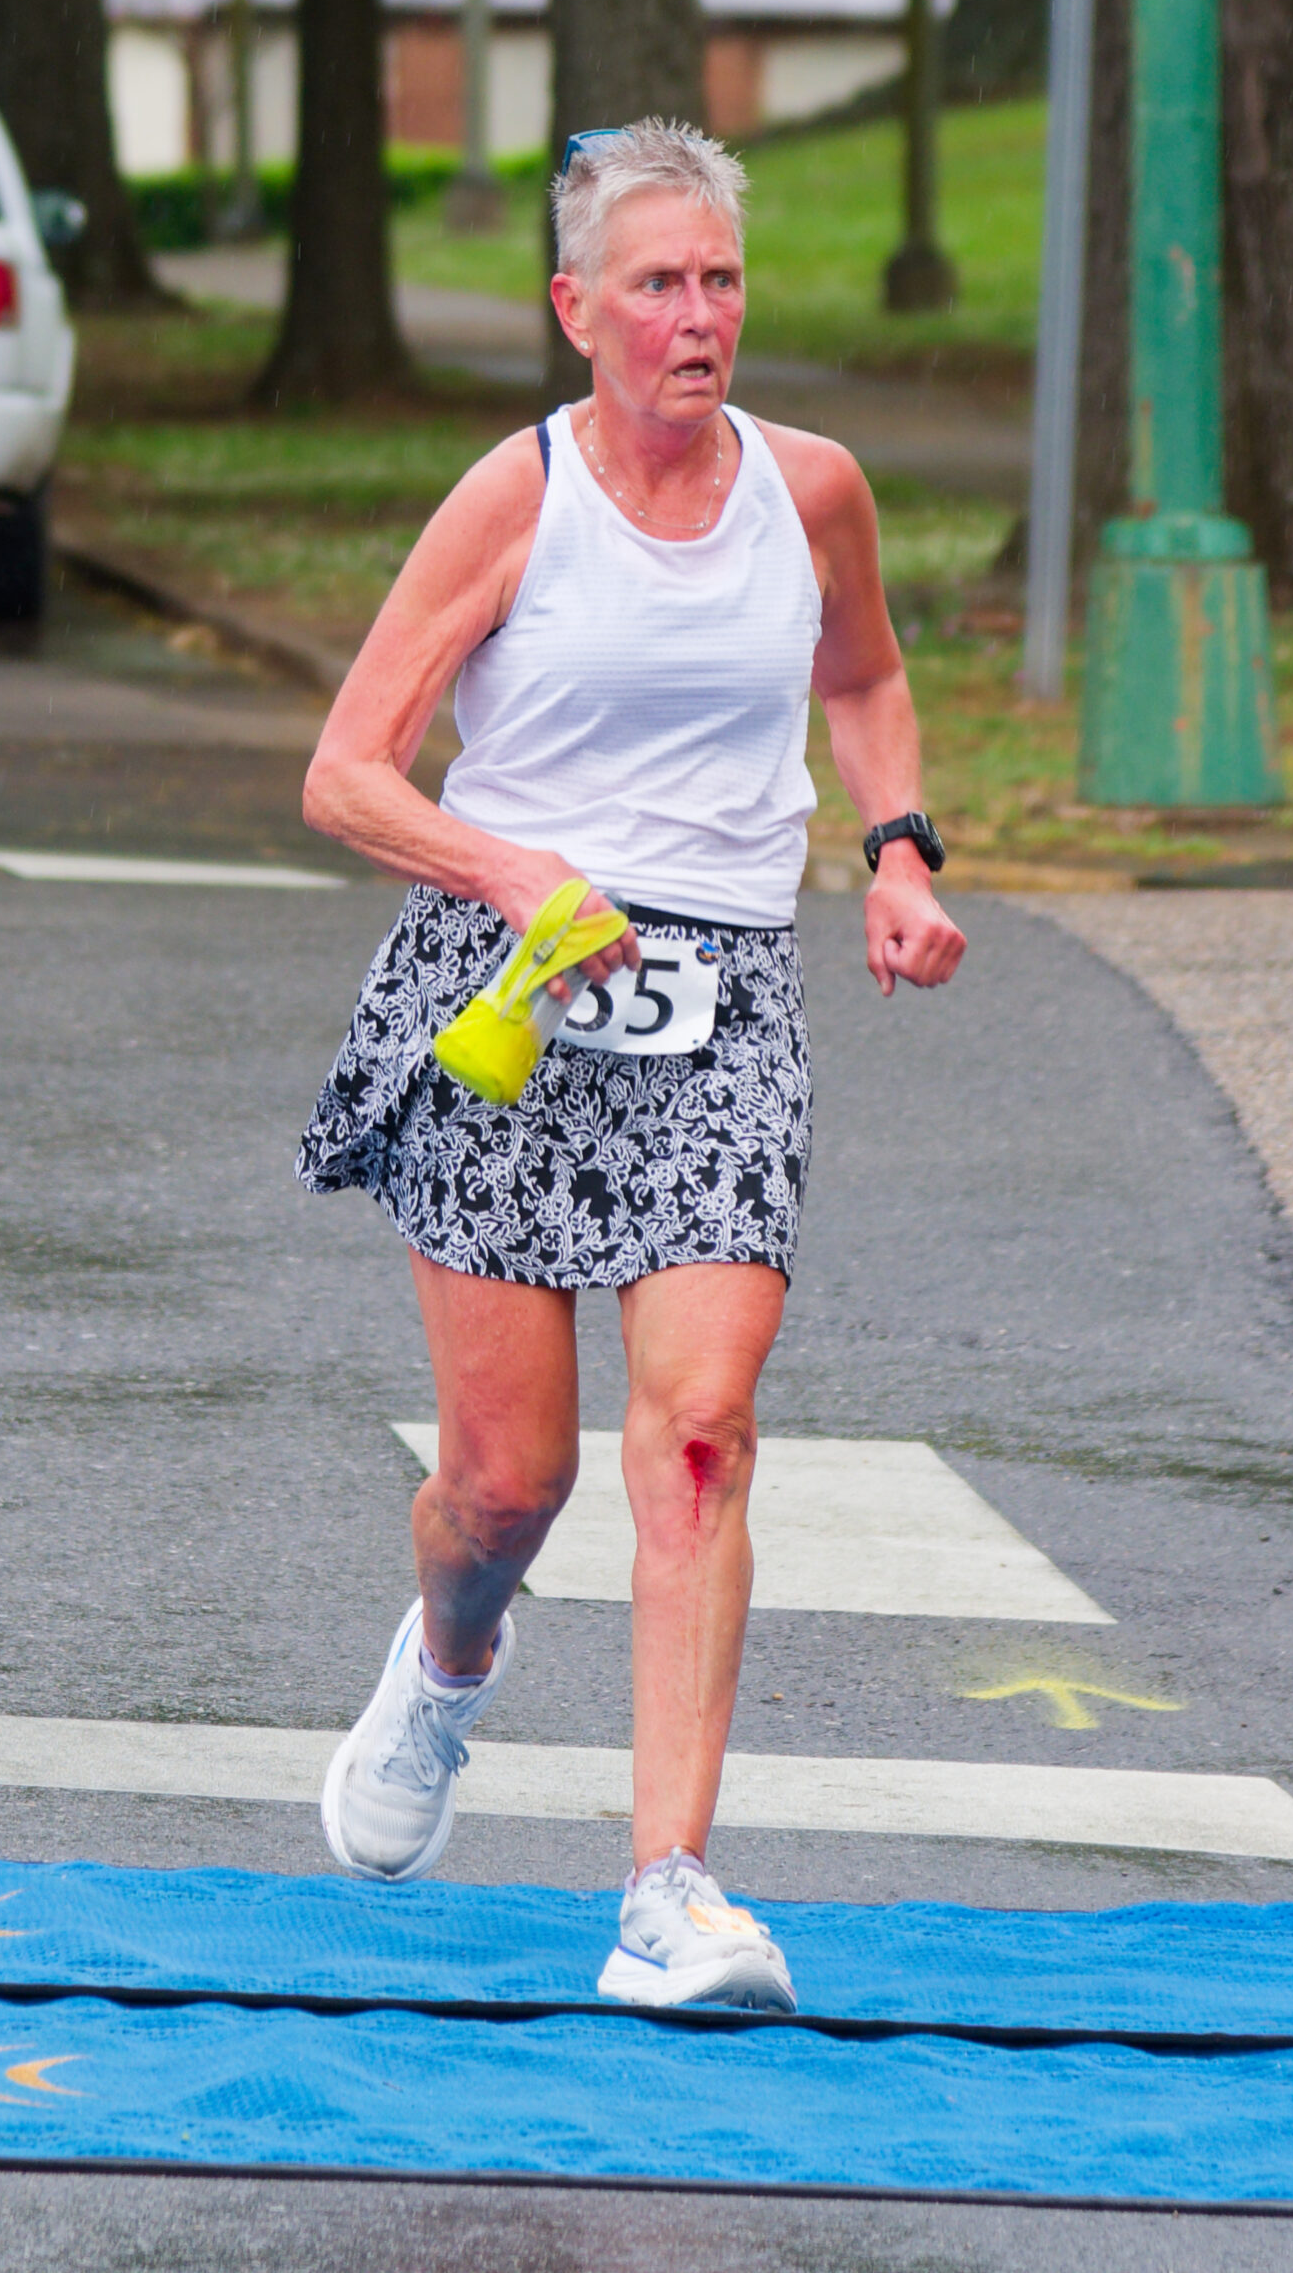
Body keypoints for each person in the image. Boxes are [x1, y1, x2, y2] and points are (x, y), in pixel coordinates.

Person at [297, 118, 965, 2011]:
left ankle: (669, 1890)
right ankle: (449, 1663)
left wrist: (899, 851)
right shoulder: (513, 501)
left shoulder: (812, 490)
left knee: (696, 1433)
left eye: (721, 280)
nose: (697, 316)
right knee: (506, 1487)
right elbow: (346, 772)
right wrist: (520, 870)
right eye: (658, 283)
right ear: (576, 308)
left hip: (722, 1005)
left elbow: (862, 677)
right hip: (510, 997)